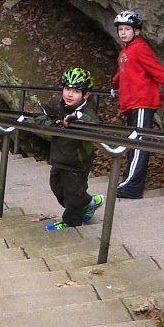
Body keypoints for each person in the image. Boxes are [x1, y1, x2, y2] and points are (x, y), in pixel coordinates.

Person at [110, 10, 164, 199]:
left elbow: (155, 68)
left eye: (127, 29)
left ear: (137, 31)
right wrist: (114, 84)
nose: (123, 32)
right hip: (131, 102)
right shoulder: (126, 51)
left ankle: (132, 185)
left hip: (142, 101)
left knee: (138, 143)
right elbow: (124, 71)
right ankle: (130, 181)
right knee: (132, 143)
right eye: (120, 29)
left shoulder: (140, 48)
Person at [35, 68, 105, 231]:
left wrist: (78, 119)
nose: (69, 94)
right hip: (59, 157)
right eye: (67, 89)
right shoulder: (57, 103)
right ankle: (89, 203)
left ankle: (71, 223)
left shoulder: (87, 111)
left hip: (78, 162)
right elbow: (40, 115)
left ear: (85, 95)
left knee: (73, 194)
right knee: (57, 187)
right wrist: (52, 124)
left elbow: (95, 126)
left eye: (76, 91)